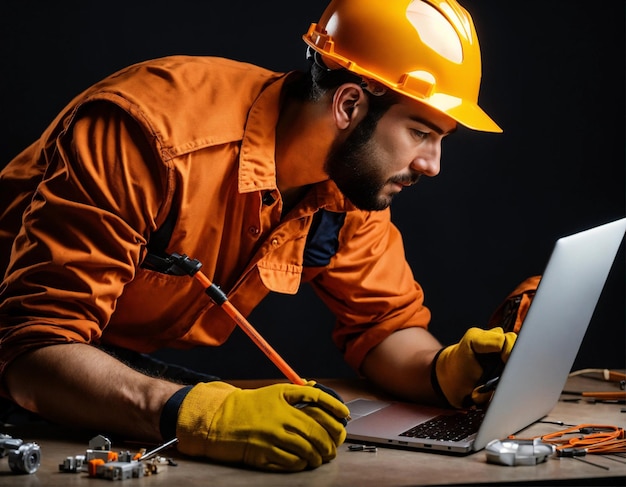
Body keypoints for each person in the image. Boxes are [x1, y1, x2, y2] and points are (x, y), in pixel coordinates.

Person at [0, 0, 517, 473]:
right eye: (421, 133)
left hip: (102, 367)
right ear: (350, 104)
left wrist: (443, 372)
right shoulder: (148, 136)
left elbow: (382, 328)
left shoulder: (349, 180)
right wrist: (203, 415)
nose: (432, 165)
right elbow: (32, 352)